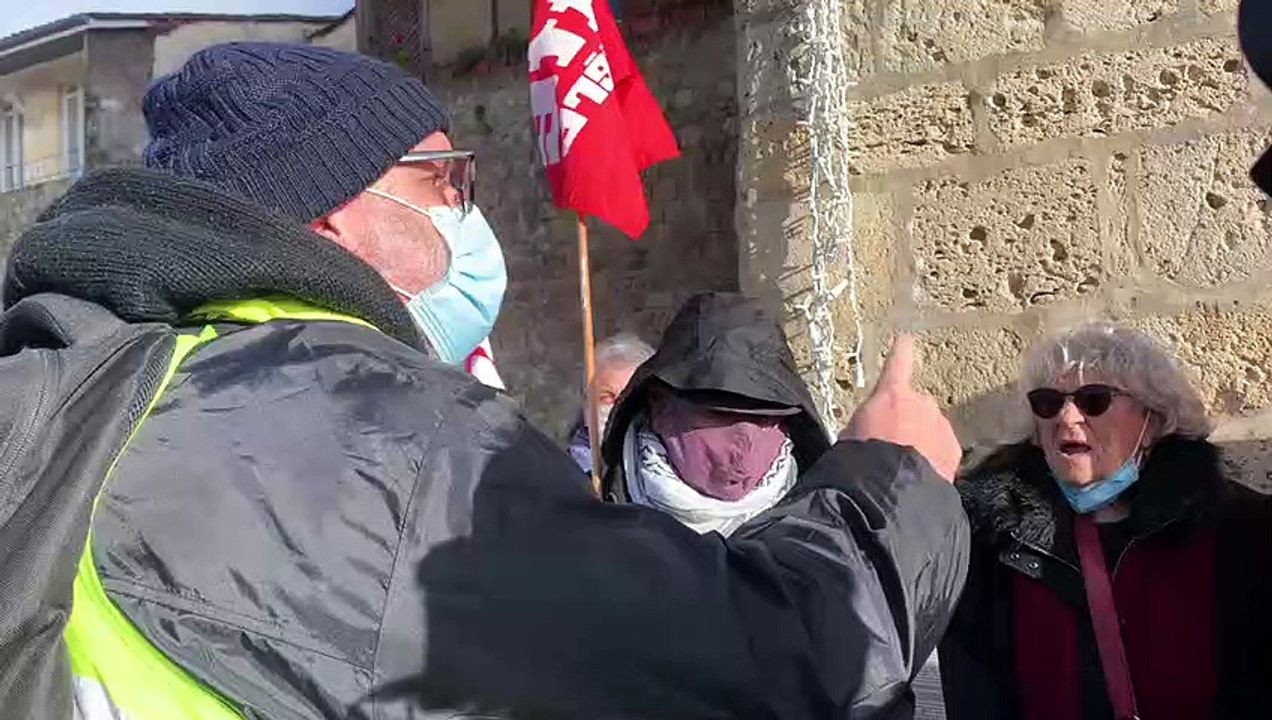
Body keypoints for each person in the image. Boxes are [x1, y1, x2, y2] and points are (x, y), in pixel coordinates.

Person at [0, 42, 968, 719]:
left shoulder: (59, 381)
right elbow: (761, 668)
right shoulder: (375, 431)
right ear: (333, 213)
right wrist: (893, 480)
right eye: (443, 181)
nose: (470, 210)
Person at [939, 322, 1272, 720]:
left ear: (1151, 421)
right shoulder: (990, 542)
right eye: (1048, 402)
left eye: (1093, 400)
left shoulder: (1241, 530)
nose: (1066, 417)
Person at [143, 43, 507, 389]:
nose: (459, 200)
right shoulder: (384, 420)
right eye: (437, 177)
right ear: (330, 217)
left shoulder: (159, 377)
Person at [599, 292, 831, 535]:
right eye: (721, 416)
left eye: (765, 419)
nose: (743, 451)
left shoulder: (825, 536)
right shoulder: (597, 527)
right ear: (660, 405)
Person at [567, 332, 654, 475]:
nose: (617, 407)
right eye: (606, 397)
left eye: (629, 397)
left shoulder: (665, 470)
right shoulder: (565, 473)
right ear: (586, 401)